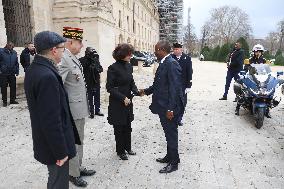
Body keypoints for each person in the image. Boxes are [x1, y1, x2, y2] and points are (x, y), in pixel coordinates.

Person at [24, 31, 81, 189]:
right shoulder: (47, 76)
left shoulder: (36, 69)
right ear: (54, 50)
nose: (64, 51)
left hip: (47, 141)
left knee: (55, 179)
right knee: (59, 182)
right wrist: (60, 152)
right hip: (55, 146)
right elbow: (51, 120)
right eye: (63, 48)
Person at [58, 27, 95, 187]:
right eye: (79, 42)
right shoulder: (64, 58)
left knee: (79, 140)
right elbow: (56, 84)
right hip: (72, 110)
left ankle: (78, 167)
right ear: (70, 42)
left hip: (79, 109)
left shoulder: (72, 57)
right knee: (73, 142)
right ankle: (72, 174)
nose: (81, 46)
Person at [141, 40, 184, 174]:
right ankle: (169, 156)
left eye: (156, 50)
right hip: (163, 105)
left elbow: (175, 89)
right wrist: (145, 91)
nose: (154, 52)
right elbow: (159, 84)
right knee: (167, 133)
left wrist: (170, 109)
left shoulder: (171, 64)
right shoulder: (164, 62)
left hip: (169, 107)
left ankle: (174, 163)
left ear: (161, 50)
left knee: (171, 134)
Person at [106, 43, 142, 160]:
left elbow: (131, 82)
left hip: (128, 101)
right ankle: (120, 150)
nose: (131, 56)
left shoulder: (129, 65)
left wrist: (137, 91)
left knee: (127, 125)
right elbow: (109, 88)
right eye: (129, 54)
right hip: (118, 102)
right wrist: (122, 98)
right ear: (122, 54)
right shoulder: (113, 68)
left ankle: (128, 147)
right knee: (119, 127)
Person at [171, 42, 193, 126]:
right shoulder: (171, 58)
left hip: (183, 85)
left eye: (177, 49)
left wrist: (189, 85)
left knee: (182, 102)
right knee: (172, 101)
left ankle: (179, 119)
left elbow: (189, 72)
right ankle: (172, 117)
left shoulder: (187, 58)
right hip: (172, 84)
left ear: (181, 49)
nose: (175, 51)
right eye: (174, 49)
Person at [79, 47, 104, 119]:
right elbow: (81, 69)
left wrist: (95, 65)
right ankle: (91, 112)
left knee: (97, 97)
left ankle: (97, 111)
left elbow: (101, 69)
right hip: (88, 81)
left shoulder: (95, 60)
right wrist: (89, 63)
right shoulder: (82, 60)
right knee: (89, 97)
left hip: (96, 81)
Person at [0, 42, 19, 107]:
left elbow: (16, 63)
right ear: (7, 45)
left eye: (13, 46)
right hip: (3, 73)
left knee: (13, 87)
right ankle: (4, 101)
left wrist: (17, 71)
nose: (11, 47)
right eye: (10, 45)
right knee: (3, 88)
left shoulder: (14, 52)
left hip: (12, 73)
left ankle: (12, 100)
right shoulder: (1, 51)